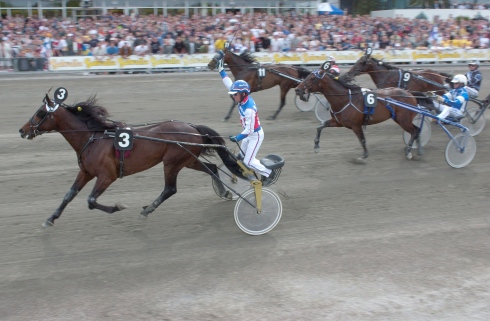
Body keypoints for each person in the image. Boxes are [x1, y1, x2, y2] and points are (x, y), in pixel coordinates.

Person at [215, 55, 276, 185]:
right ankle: (245, 170)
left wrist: (237, 138)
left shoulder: (249, 108)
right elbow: (230, 85)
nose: (233, 96)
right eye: (233, 94)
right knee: (241, 157)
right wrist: (221, 71)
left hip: (255, 136)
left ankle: (269, 174)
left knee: (249, 161)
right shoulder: (241, 98)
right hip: (249, 135)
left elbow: (249, 129)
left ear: (243, 94)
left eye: (234, 95)